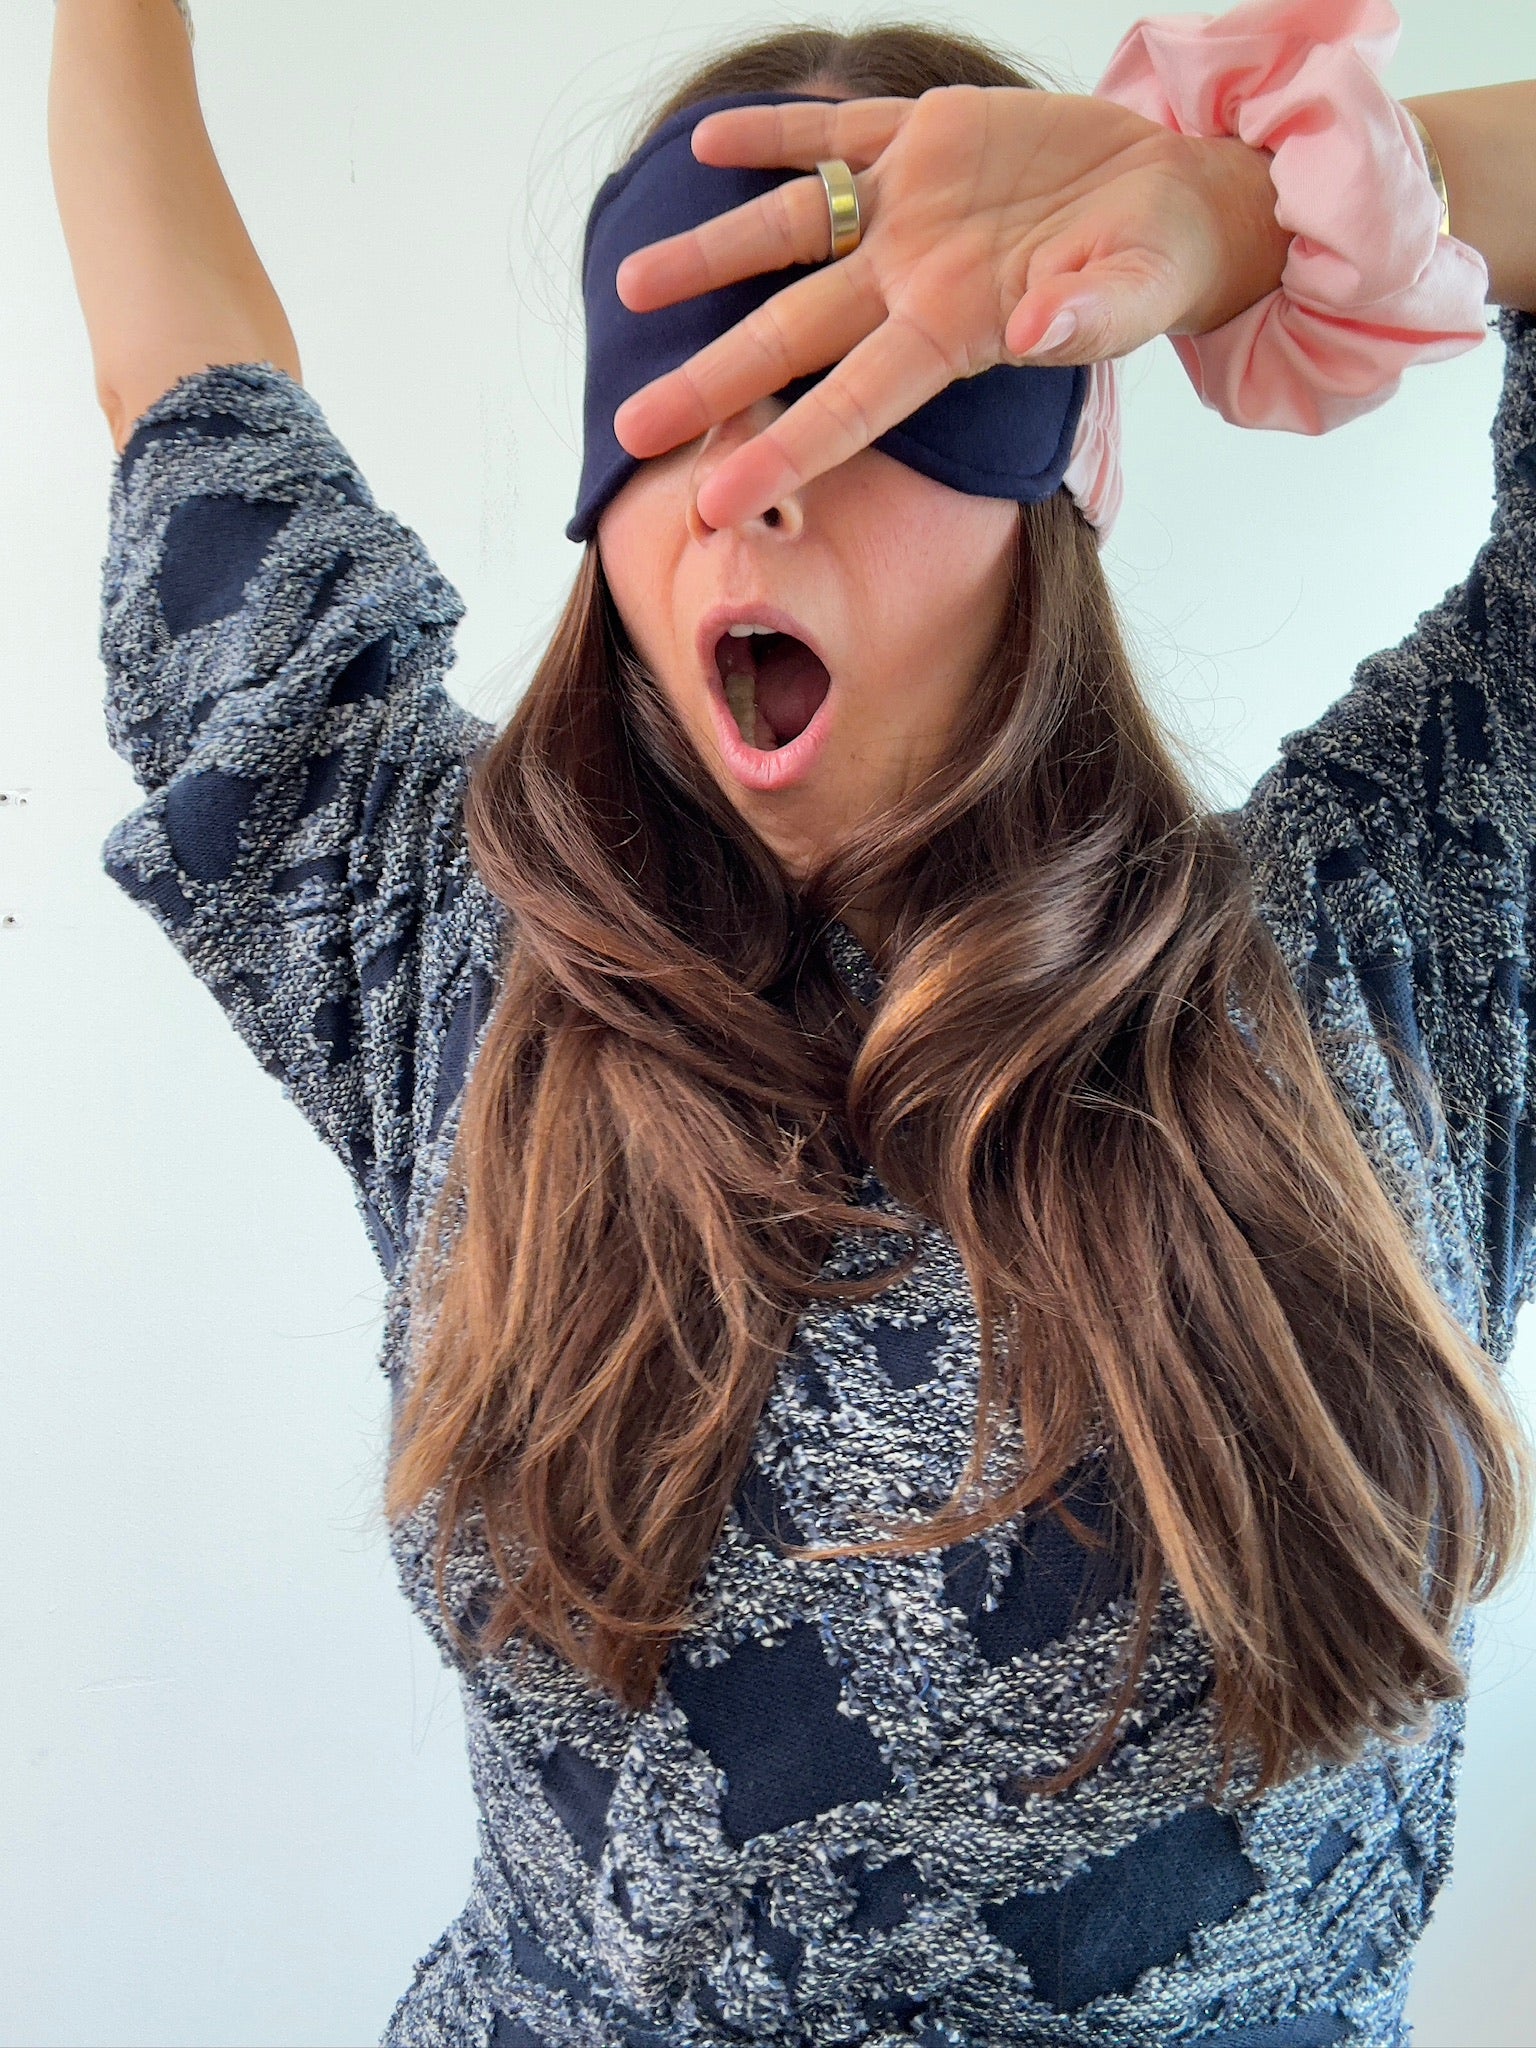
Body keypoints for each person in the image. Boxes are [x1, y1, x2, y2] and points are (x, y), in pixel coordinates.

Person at [47, 0, 1536, 2041]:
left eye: (876, 389)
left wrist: (1261, 209)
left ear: (1058, 488)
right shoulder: (451, 965)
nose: (759, 479)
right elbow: (183, 395)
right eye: (692, 400)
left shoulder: (1391, 947)